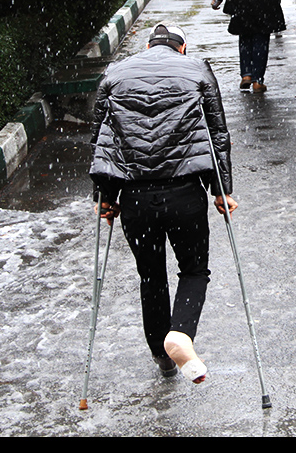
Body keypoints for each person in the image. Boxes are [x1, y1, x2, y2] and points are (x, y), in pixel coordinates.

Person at [89, 22, 237, 384]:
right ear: (182, 48)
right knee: (194, 270)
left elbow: (101, 140)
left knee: (151, 277)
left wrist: (105, 197)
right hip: (185, 193)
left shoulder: (115, 74)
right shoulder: (197, 69)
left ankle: (161, 353)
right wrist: (222, 189)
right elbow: (217, 132)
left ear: (148, 46)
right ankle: (180, 334)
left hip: (136, 198)